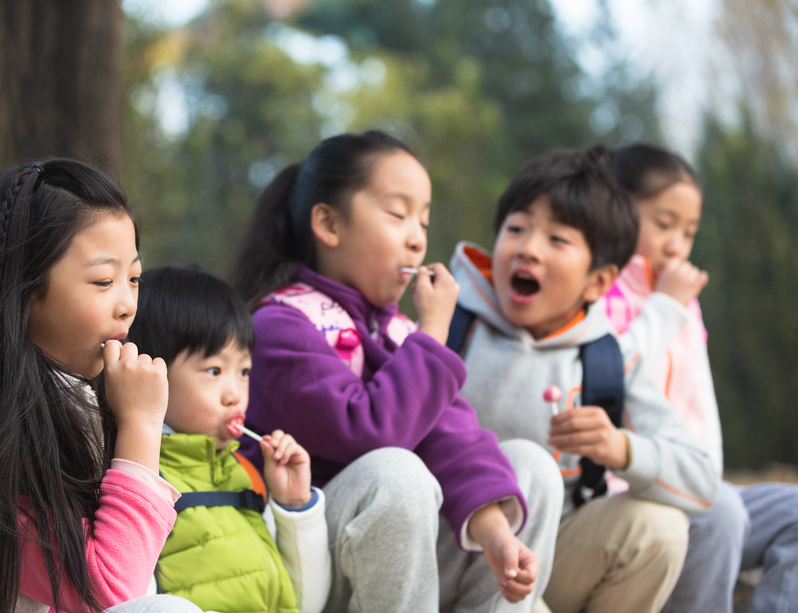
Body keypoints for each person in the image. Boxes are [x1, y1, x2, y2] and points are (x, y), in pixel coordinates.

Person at [230, 130, 564, 613]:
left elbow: (453, 436)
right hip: (305, 566)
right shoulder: (281, 323)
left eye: (423, 221)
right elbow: (367, 431)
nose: (416, 238)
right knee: (396, 472)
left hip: (398, 561)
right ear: (328, 223)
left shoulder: (399, 331)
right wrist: (431, 332)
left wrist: (495, 535)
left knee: (532, 466)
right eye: (397, 213)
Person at [0, 160, 199, 613]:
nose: (128, 305)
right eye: (104, 281)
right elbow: (109, 590)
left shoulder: (78, 397)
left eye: (134, 279)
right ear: (25, 291)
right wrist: (142, 427)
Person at [448, 145, 719, 613]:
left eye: (558, 239)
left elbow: (702, 482)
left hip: (546, 567)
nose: (528, 248)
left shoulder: (606, 362)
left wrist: (621, 449)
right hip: (443, 557)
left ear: (598, 282)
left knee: (658, 530)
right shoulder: (451, 325)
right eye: (517, 228)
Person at [600, 142, 798, 613]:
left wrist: (706, 476)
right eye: (663, 224)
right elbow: (611, 375)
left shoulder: (684, 304)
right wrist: (665, 306)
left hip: (697, 487)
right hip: (631, 492)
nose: (676, 244)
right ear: (616, 211)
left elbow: (701, 406)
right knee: (721, 515)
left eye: (688, 232)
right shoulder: (598, 290)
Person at [125, 266, 331, 613]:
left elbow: (306, 604)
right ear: (151, 372)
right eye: (214, 371)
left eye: (244, 372)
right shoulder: (141, 478)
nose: (235, 395)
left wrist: (295, 507)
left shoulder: (247, 476)